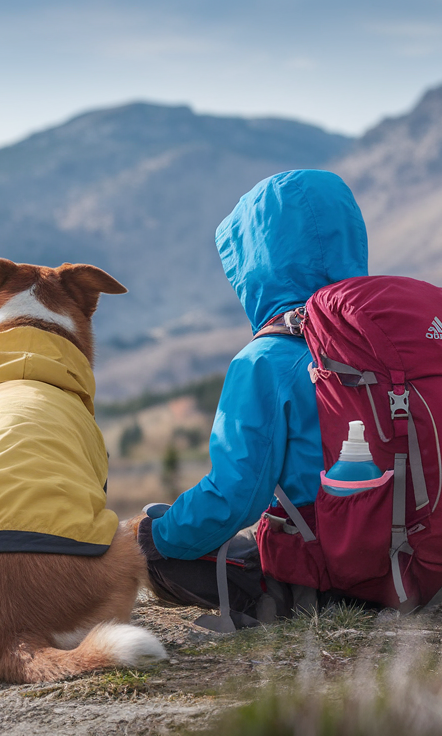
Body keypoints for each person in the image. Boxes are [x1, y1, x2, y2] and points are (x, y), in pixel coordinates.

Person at [136, 169, 369, 625]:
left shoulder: (266, 360)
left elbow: (234, 497)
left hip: (324, 581)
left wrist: (150, 538)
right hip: (416, 567)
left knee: (156, 544)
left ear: (258, 261)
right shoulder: (388, 341)